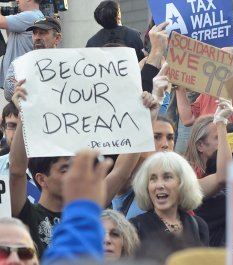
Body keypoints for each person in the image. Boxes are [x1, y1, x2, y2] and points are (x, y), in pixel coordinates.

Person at [9, 81, 145, 258]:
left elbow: (120, 172)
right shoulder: (27, 214)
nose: (74, 175)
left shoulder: (84, 211)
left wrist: (143, 118)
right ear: (42, 179)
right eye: (65, 169)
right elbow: (17, 171)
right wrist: (23, 115)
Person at [130, 151, 209, 246]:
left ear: (182, 183)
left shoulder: (199, 226)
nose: (159, 185)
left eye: (167, 177)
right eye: (153, 179)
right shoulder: (134, 228)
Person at [175, 46, 233, 127]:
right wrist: (179, 86)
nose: (213, 60)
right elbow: (188, 119)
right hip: (207, 138)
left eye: (221, 57)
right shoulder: (208, 93)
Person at [4, 16, 62, 101]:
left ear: (57, 38)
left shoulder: (68, 63)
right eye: (34, 33)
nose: (37, 37)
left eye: (42, 33)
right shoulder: (20, 63)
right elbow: (8, 93)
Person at [0, 0, 43, 89]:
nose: (17, 0)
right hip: (20, 80)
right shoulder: (38, 15)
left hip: (19, 82)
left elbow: (1, 22)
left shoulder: (30, 16)